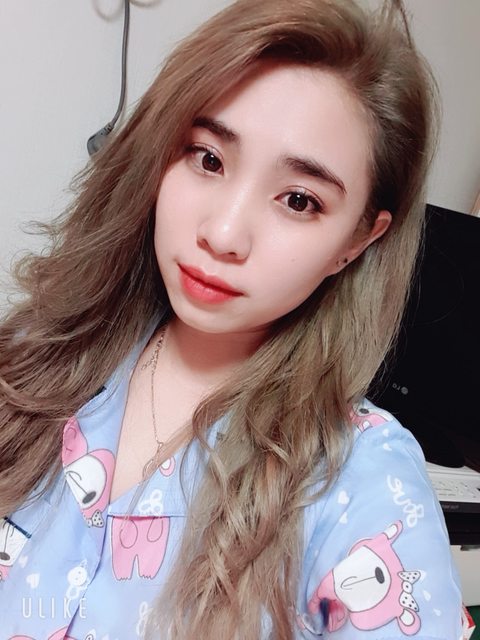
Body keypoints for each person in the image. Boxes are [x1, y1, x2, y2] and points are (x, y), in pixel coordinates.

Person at [0, 0, 464, 638]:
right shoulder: (36, 356)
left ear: (357, 240)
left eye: (298, 200)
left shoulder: (363, 484)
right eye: (208, 158)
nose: (222, 234)